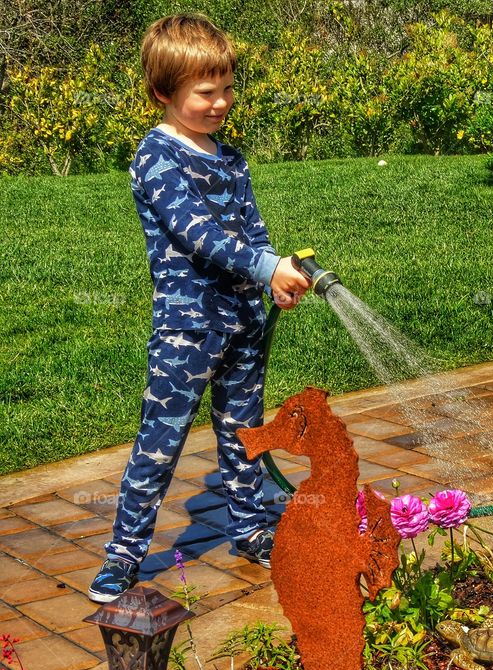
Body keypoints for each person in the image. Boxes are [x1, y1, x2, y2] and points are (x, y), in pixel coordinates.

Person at [88, 14, 310, 603]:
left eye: (228, 89)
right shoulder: (157, 159)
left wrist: (274, 279)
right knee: (158, 447)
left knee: (244, 437)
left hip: (242, 324)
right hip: (187, 331)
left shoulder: (231, 159)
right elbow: (197, 234)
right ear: (164, 93)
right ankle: (123, 557)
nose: (221, 103)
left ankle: (251, 530)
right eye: (206, 93)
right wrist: (266, 267)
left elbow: (251, 233)